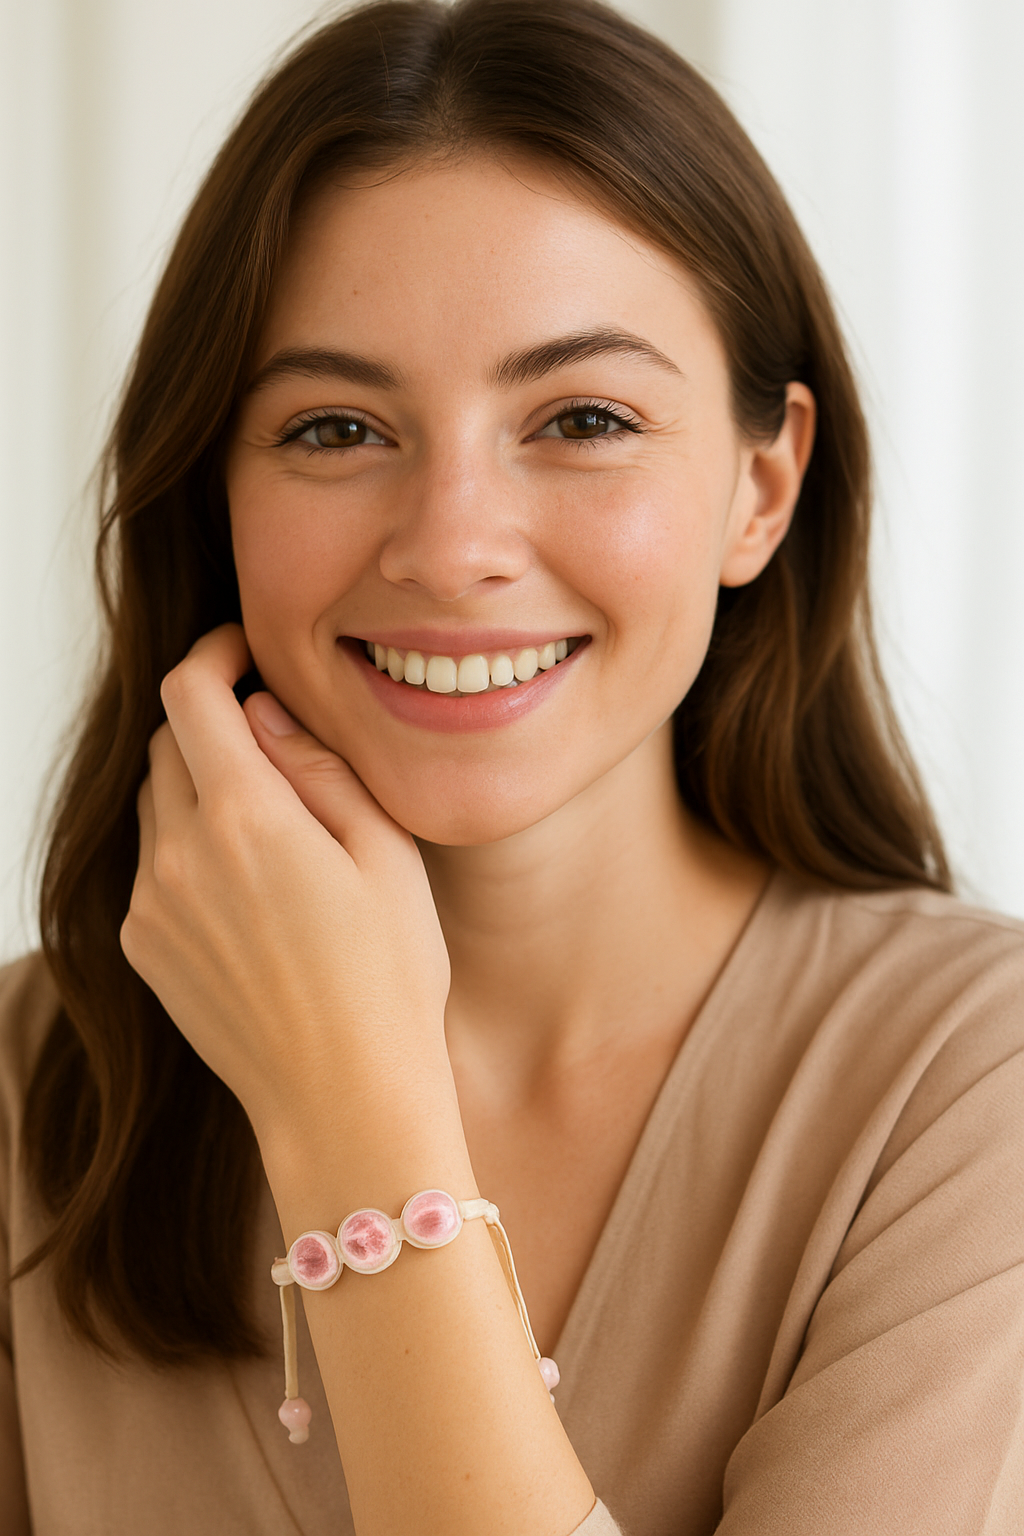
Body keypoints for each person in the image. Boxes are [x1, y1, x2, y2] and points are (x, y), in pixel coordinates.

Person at [2, 0, 1022, 1530]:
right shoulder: (32, 1087)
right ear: (214, 494)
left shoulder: (970, 1089)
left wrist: (348, 1103)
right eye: (338, 427)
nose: (453, 545)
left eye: (585, 418)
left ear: (762, 488)